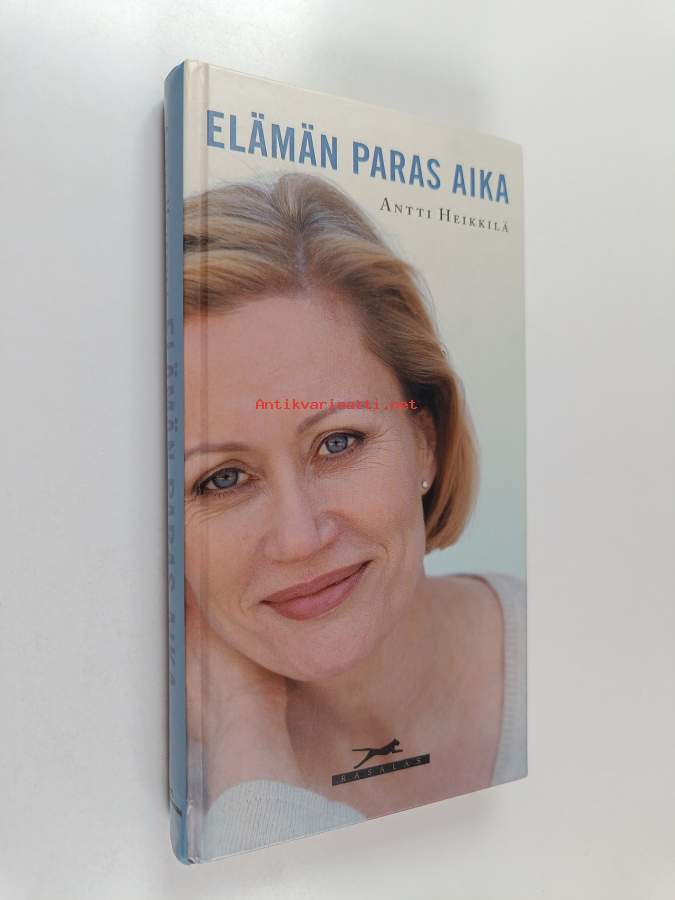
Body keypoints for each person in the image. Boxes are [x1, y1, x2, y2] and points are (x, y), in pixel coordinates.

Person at [180, 172, 526, 860]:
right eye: (222, 479)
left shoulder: (604, 663)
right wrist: (246, 738)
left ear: (425, 439)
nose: (299, 538)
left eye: (338, 442)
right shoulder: (133, 799)